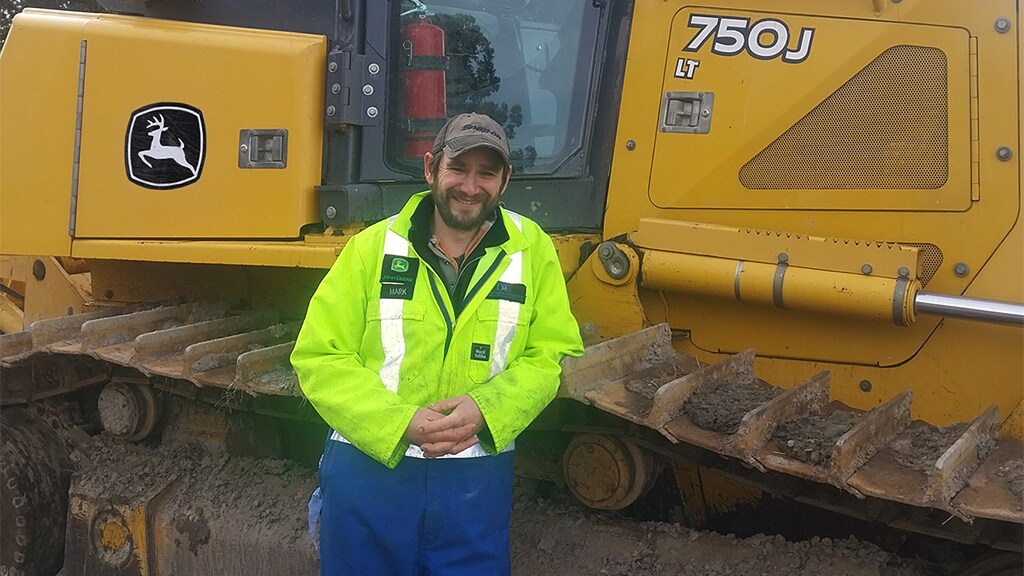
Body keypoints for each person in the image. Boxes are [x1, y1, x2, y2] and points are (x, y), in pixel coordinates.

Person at [291, 112, 584, 576]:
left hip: (473, 482)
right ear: (430, 169)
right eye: (458, 168)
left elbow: (550, 356)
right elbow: (319, 356)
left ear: (504, 181)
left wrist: (488, 409)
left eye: (486, 172)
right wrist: (399, 421)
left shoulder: (534, 252)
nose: (470, 186)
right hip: (369, 471)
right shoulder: (371, 249)